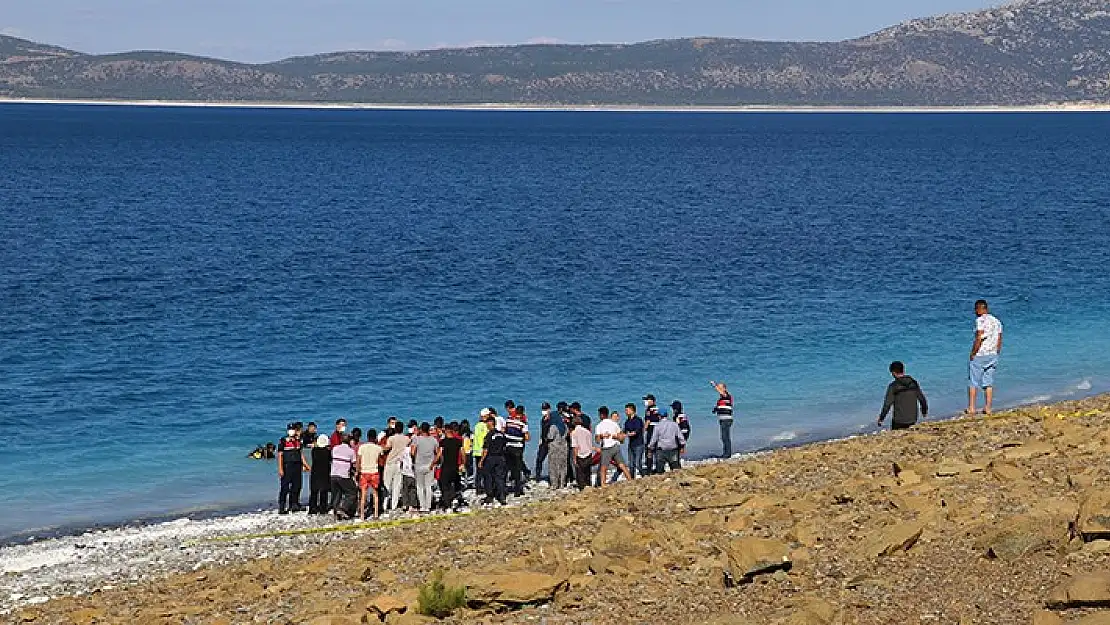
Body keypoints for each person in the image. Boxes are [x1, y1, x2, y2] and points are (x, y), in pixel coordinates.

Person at [968, 299, 1004, 416]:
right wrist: (997, 351)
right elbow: (999, 338)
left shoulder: (980, 320)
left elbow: (979, 338)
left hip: (981, 354)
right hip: (993, 354)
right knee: (988, 382)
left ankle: (972, 407)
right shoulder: (997, 321)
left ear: (978, 310)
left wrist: (973, 352)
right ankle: (988, 407)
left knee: (973, 381)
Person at [878, 361, 929, 430]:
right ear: (903, 370)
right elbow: (922, 399)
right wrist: (924, 411)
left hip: (899, 421)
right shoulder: (913, 383)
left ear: (893, 373)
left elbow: (887, 405)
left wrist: (881, 419)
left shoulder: (893, 386)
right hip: (913, 419)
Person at [277, 422, 310, 514]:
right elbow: (280, 455)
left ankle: (294, 504)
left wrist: (306, 465)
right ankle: (282, 506)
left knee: (297, 486)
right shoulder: (283, 440)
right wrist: (280, 468)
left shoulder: (298, 441)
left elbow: (300, 454)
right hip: (287, 465)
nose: (292, 431)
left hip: (297, 465)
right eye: (290, 429)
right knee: (285, 487)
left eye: (293, 429)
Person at [595, 406, 632, 486]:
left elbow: (597, 440)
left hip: (606, 448)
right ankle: (630, 479)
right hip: (615, 446)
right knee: (621, 464)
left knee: (603, 467)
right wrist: (615, 437)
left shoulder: (599, 425)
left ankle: (603, 484)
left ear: (601, 415)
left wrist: (601, 436)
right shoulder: (614, 424)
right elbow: (621, 438)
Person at [479, 413, 509, 505]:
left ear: (490, 424)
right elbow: (505, 446)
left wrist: (481, 461)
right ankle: (502, 496)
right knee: (499, 478)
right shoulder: (501, 434)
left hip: (491, 458)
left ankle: (490, 496)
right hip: (501, 457)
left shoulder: (489, 435)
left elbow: (485, 449)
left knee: (488, 477)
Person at [410, 422, 439, 513]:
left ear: (421, 429)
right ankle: (428, 506)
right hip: (430, 465)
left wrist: (413, 460)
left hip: (419, 465)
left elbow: (412, 452)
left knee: (420, 486)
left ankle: (422, 506)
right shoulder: (433, 440)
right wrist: (434, 462)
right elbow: (438, 453)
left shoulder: (417, 439)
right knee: (428, 486)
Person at [436, 423, 465, 511]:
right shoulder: (458, 441)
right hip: (455, 466)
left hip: (446, 466)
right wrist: (463, 463)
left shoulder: (443, 442)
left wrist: (434, 463)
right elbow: (462, 453)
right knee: (455, 484)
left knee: (445, 485)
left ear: (445, 430)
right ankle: (455, 500)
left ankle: (447, 504)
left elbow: (439, 454)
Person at [382, 424, 411, 512]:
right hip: (400, 463)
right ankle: (394, 505)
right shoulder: (407, 439)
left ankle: (385, 505)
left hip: (390, 462)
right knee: (397, 486)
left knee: (387, 484)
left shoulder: (391, 438)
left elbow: (386, 448)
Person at [357, 429, 384, 520]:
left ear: (367, 437)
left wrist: (358, 471)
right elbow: (380, 461)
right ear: (375, 437)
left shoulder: (362, 447)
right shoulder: (378, 448)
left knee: (363, 494)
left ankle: (362, 515)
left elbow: (359, 461)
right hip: (374, 472)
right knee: (375, 494)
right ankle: (376, 514)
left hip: (364, 472)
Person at [329, 434, 358, 519]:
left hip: (333, 474)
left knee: (337, 494)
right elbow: (354, 463)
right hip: (343, 475)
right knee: (352, 492)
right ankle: (343, 508)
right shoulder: (351, 451)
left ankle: (336, 511)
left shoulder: (335, 448)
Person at [504, 406, 530, 497]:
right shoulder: (522, 423)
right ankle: (517, 490)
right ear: (522, 413)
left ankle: (504, 488)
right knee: (517, 469)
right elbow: (527, 438)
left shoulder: (508, 420)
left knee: (508, 468)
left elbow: (504, 431)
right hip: (517, 448)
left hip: (508, 447)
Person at [545, 403, 570, 490]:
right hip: (564, 447)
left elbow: (550, 437)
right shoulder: (565, 427)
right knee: (563, 466)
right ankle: (562, 483)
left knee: (553, 466)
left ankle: (554, 484)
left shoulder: (553, 427)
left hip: (554, 448)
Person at [308, 434, 332, 514]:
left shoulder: (314, 451)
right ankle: (323, 508)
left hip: (315, 472)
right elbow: (330, 461)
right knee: (323, 491)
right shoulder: (327, 452)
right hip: (324, 472)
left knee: (314, 491)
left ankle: (312, 508)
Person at [571, 415, 596, 490]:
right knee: (587, 473)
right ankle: (588, 486)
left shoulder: (574, 433)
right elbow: (590, 445)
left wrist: (574, 458)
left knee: (580, 474)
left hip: (580, 454)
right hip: (588, 454)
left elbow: (575, 447)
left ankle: (582, 488)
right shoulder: (587, 432)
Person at [711, 382, 734, 458]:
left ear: (724, 389)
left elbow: (721, 392)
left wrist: (714, 385)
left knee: (725, 437)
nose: (719, 389)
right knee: (724, 437)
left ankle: (727, 454)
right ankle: (726, 453)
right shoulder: (721, 399)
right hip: (722, 420)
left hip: (726, 420)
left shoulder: (727, 396)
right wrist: (715, 409)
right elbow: (720, 407)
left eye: (720, 388)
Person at [623, 403, 645, 479]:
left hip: (639, 444)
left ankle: (645, 477)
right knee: (631, 465)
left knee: (638, 464)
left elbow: (636, 432)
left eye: (627, 410)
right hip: (631, 445)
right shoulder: (627, 421)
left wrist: (628, 434)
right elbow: (624, 432)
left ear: (632, 410)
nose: (625, 412)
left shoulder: (638, 420)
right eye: (625, 410)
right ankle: (632, 479)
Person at [471, 410, 489, 495]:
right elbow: (485, 439)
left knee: (479, 471)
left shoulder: (477, 426)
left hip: (476, 451)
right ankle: (485, 487)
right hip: (482, 451)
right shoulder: (485, 426)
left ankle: (478, 488)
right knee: (485, 471)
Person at [534, 402, 553, 482]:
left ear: (549, 409)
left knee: (552, 460)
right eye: (543, 409)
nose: (544, 411)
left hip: (551, 442)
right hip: (543, 442)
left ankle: (552, 476)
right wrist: (540, 439)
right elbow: (542, 431)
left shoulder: (552, 419)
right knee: (539, 459)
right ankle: (538, 477)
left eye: (545, 409)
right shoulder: (542, 419)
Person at [642, 395, 661, 474]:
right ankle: (658, 468)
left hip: (651, 431)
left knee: (649, 450)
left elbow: (648, 421)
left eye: (647, 400)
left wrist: (643, 431)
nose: (645, 402)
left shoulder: (649, 409)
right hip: (658, 431)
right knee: (657, 450)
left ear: (652, 401)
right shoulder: (657, 409)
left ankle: (649, 469)